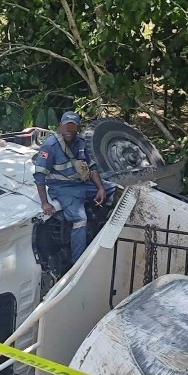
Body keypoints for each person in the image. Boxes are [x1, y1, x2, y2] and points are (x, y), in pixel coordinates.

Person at [33, 111, 117, 264]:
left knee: (116, 190)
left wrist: (101, 188)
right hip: (63, 188)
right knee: (80, 218)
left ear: (78, 128)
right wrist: (44, 202)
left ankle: (107, 230)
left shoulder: (81, 142)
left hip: (82, 183)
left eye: (73, 128)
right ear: (60, 126)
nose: (69, 131)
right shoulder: (50, 146)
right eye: (66, 127)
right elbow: (39, 176)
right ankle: (78, 261)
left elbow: (92, 167)